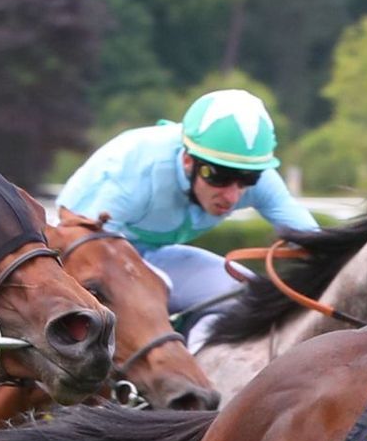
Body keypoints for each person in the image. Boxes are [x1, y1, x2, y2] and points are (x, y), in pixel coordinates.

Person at [57, 88, 317, 327]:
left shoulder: (259, 181)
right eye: (220, 176)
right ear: (188, 161)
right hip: (78, 260)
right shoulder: (134, 174)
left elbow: (313, 244)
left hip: (149, 257)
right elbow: (82, 257)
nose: (232, 195)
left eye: (248, 178)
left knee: (250, 296)